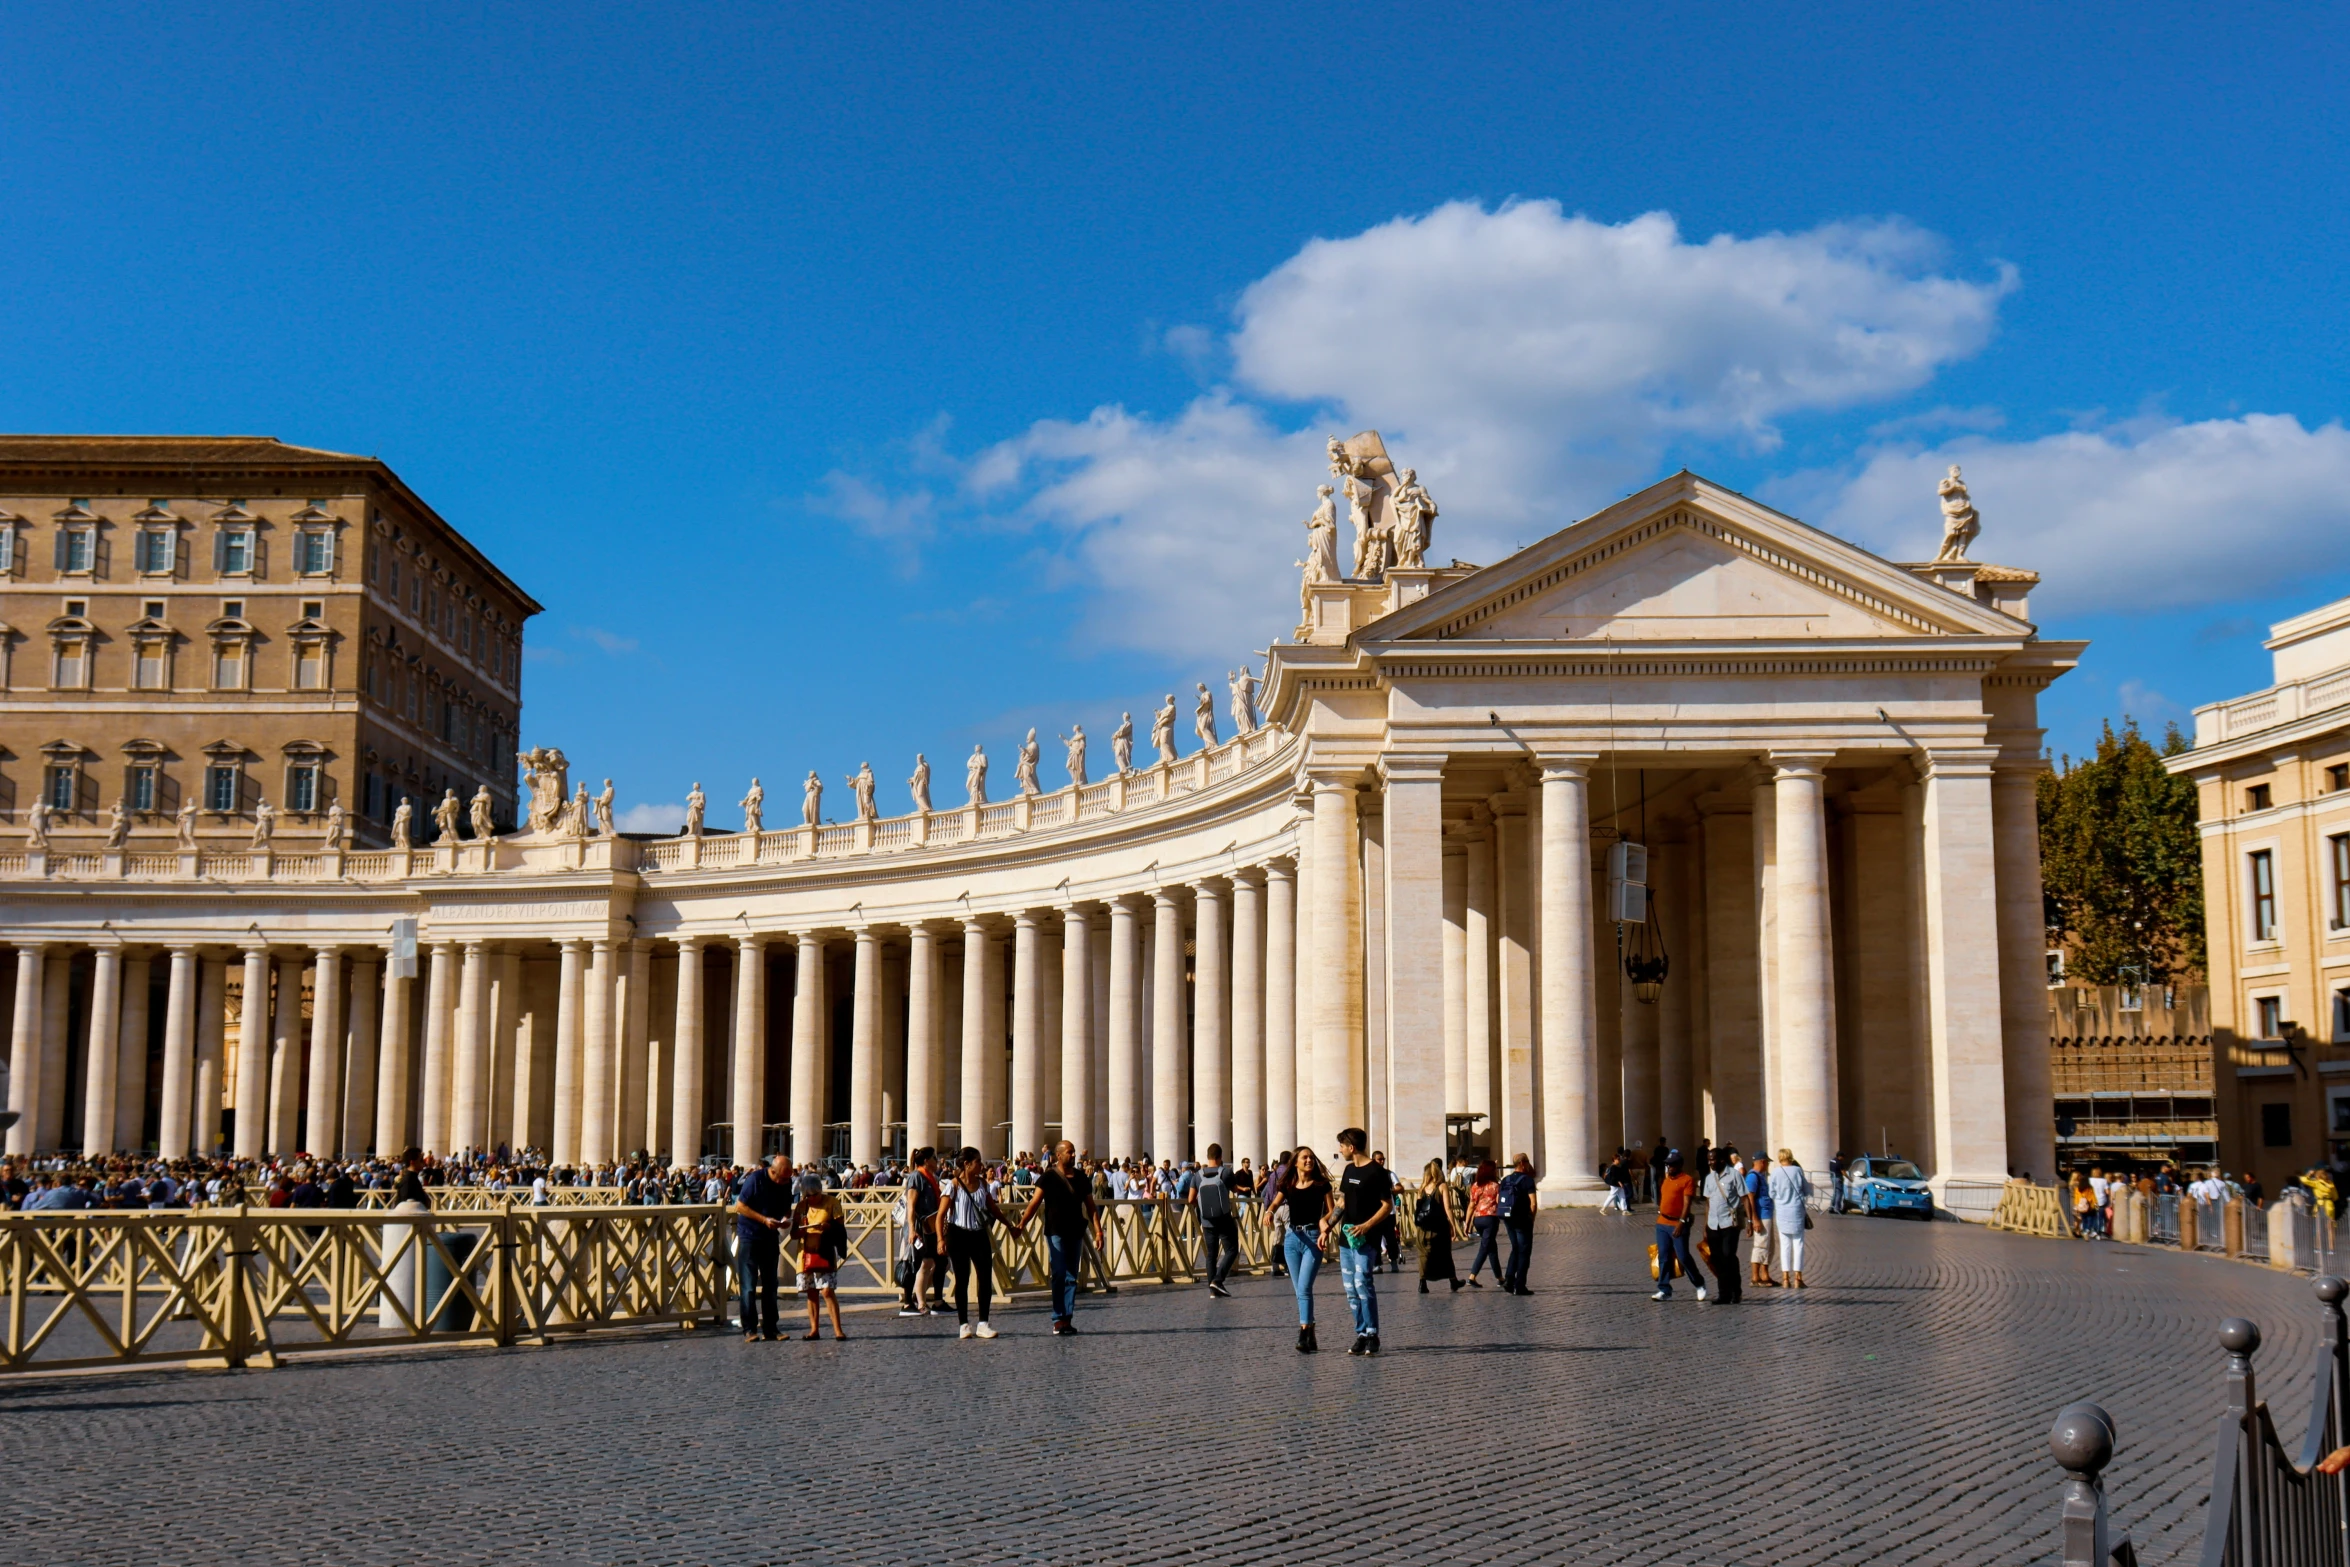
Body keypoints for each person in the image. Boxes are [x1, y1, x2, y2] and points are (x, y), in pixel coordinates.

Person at [1019, 1140, 1099, 1334]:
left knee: (1072, 1276)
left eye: (1074, 1152)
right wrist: (1022, 1224)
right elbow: (1034, 1203)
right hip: (1056, 1232)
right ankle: (1057, 1317)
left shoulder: (1081, 1178)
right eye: (1070, 1152)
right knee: (1059, 1273)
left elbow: (1090, 1206)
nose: (1073, 1155)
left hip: (1076, 1232)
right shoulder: (1048, 1177)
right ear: (1059, 1155)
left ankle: (1066, 1318)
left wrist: (1099, 1231)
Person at [940, 1146, 1015, 1339]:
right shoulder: (953, 1185)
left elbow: (993, 1209)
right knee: (962, 1279)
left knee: (984, 1278)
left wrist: (1010, 1225)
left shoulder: (982, 1184)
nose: (981, 1165)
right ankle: (963, 1324)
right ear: (967, 1164)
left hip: (979, 1234)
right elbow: (941, 1214)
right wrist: (941, 1239)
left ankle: (983, 1323)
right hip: (958, 1235)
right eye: (978, 1162)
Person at [1264, 1145, 1332, 1353]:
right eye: (1305, 1158)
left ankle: (1303, 1332)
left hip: (1313, 1239)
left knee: (1303, 1288)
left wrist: (1324, 1224)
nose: (1309, 1161)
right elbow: (1275, 1202)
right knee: (1300, 1290)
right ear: (1296, 1162)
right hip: (1292, 1239)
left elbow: (1333, 1210)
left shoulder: (1322, 1184)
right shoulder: (1289, 1184)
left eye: (1311, 1157)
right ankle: (1310, 1331)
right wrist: (1269, 1211)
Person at [1334, 1129, 1394, 1354]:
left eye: (1342, 1145)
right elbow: (1342, 1203)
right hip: (1345, 1239)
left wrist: (1367, 1226)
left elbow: (1387, 1206)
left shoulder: (1377, 1172)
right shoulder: (1348, 1170)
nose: (1340, 1150)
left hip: (1366, 1240)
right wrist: (1327, 1224)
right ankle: (1360, 1332)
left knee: (1363, 1284)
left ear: (1352, 1147)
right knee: (1350, 1289)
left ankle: (1372, 1333)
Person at [730, 1152, 795, 1341]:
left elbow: (786, 1207)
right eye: (783, 1178)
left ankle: (771, 1328)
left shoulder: (786, 1182)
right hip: (750, 1236)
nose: (785, 1182)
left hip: (770, 1237)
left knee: (770, 1284)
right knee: (748, 1286)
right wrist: (763, 1219)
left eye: (787, 1178)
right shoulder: (755, 1180)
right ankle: (749, 1329)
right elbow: (740, 1206)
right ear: (773, 1172)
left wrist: (785, 1219)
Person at [791, 1172, 848, 1340]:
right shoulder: (801, 1206)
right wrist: (800, 1230)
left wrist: (827, 1226)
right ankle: (814, 1329)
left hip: (825, 1250)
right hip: (805, 1252)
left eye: (814, 1195)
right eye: (807, 1195)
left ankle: (838, 1329)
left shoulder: (832, 1203)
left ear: (820, 1191)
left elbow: (840, 1229)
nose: (811, 1198)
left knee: (827, 1291)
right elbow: (793, 1233)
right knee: (811, 1292)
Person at [1651, 1152, 1706, 1301]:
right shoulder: (1667, 1179)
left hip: (1677, 1223)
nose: (1669, 1167)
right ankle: (1664, 1289)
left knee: (1683, 1256)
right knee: (1663, 1256)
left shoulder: (1687, 1180)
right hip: (1662, 1222)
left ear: (1679, 1165)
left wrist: (1681, 1222)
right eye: (1668, 1164)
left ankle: (1699, 1283)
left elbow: (1687, 1203)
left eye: (1672, 1165)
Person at [1189, 1142, 1240, 1297]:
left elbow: (1190, 1199)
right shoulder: (1225, 1172)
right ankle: (1217, 1281)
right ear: (1220, 1157)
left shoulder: (1197, 1175)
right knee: (1231, 1250)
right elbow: (1235, 1190)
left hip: (1206, 1221)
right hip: (1224, 1218)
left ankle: (1213, 1290)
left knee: (1211, 1255)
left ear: (1208, 1156)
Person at [898, 1147, 944, 1316]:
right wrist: (911, 1229)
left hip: (930, 1227)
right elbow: (911, 1204)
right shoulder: (916, 1176)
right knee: (915, 1263)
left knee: (940, 1261)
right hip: (918, 1228)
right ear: (926, 1161)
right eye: (934, 1157)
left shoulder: (931, 1176)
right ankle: (908, 1303)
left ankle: (936, 1301)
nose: (936, 1161)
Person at [1701, 1149, 1745, 1305]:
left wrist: (1752, 1221)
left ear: (1721, 1160)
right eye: (1708, 1160)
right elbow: (1708, 1203)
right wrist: (1705, 1225)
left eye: (1712, 1159)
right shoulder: (1708, 1178)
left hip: (1729, 1223)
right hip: (1713, 1224)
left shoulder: (1734, 1175)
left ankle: (1736, 1291)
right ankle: (1723, 1293)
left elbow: (1744, 1197)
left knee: (1728, 1256)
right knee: (1717, 1259)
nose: (1710, 1163)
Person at [1414, 1159, 1464, 1294]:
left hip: (1423, 1229)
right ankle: (1453, 1281)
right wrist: (1453, 1225)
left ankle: (1422, 1283)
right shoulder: (1442, 1186)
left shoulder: (1421, 1189)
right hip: (1439, 1227)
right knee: (1445, 1254)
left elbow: (1418, 1209)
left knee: (1423, 1255)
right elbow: (1448, 1207)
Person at [1767, 1149, 1812, 1288]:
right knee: (1798, 1244)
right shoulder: (1797, 1171)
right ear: (1791, 1157)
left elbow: (1771, 1193)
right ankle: (1798, 1278)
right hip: (1796, 1210)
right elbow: (1807, 1190)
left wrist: (1781, 1198)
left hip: (1782, 1211)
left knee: (1785, 1245)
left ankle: (1785, 1278)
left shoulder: (1775, 1172)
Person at [1498, 1153, 1540, 1295]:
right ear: (1522, 1163)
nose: (1529, 1164)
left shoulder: (1505, 1179)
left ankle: (1509, 1279)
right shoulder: (1527, 1180)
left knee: (1515, 1248)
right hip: (1523, 1219)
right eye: (1527, 1161)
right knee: (1524, 1252)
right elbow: (1533, 1203)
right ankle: (1520, 1285)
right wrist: (1532, 1219)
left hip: (1508, 1218)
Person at [1463, 1159, 1503, 1287]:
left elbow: (1471, 1205)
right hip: (1490, 1219)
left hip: (1478, 1219)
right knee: (1485, 1248)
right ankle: (1472, 1276)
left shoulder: (1475, 1186)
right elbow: (1498, 1202)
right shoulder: (1495, 1186)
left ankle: (1500, 1277)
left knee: (1491, 1247)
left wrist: (1467, 1223)